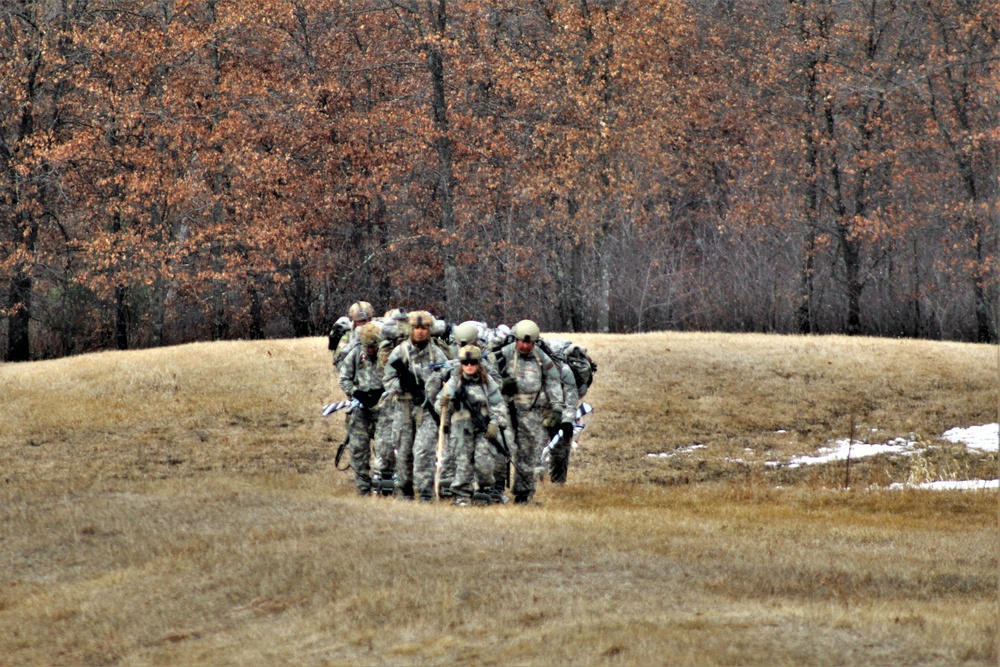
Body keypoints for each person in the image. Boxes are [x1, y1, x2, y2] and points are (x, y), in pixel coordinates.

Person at [382, 310, 451, 501]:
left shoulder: (437, 354)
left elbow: (448, 380)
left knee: (423, 451)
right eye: (416, 328)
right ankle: (405, 490)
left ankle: (425, 491)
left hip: (428, 410)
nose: (420, 332)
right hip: (404, 407)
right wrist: (401, 385)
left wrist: (441, 400)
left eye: (424, 328)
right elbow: (387, 380)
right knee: (403, 450)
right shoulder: (400, 351)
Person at [495, 319, 565, 504]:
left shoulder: (542, 358)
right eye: (522, 342)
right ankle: (494, 491)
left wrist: (557, 408)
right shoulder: (504, 354)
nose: (525, 346)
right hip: (506, 411)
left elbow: (553, 382)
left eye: (529, 343)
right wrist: (501, 384)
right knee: (504, 449)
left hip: (531, 412)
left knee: (528, 454)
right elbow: (487, 377)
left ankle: (523, 494)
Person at [438, 345, 509, 505]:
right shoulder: (454, 381)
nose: (469, 366)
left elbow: (498, 405)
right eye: (465, 362)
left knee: (484, 465)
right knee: (463, 465)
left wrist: (495, 423)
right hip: (461, 430)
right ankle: (461, 496)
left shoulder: (487, 382)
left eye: (473, 362)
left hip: (483, 430)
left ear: (478, 363)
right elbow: (441, 409)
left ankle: (483, 491)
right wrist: (444, 403)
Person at [337, 322, 384, 495]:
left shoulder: (386, 357)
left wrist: (383, 393)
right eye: (367, 346)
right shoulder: (356, 354)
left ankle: (383, 485)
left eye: (373, 346)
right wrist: (355, 393)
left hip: (382, 409)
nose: (370, 349)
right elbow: (344, 379)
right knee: (358, 449)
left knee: (384, 448)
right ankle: (363, 488)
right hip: (360, 409)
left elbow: (395, 379)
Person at [333, 301, 375, 370]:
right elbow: (338, 359)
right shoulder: (348, 336)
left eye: (364, 321)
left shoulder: (377, 333)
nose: (362, 324)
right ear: (354, 322)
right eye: (359, 321)